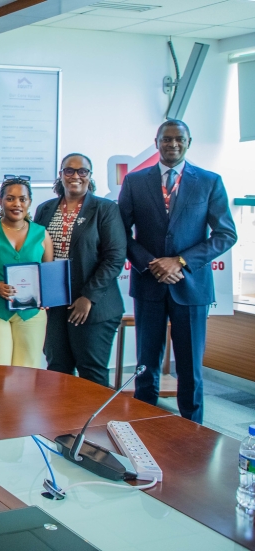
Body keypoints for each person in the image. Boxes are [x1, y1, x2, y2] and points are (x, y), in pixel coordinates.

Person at [119, 120, 237, 423]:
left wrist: (180, 261)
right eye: (166, 139)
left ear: (189, 142)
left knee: (190, 368)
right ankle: (142, 426)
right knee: (145, 365)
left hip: (192, 287)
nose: (172, 144)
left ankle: (193, 431)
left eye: (179, 139)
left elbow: (226, 234)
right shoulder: (135, 181)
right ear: (157, 142)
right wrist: (152, 263)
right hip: (149, 285)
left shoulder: (209, 181)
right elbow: (121, 233)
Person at [34, 154, 126, 387]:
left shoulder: (105, 209)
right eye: (69, 170)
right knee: (57, 370)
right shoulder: (45, 209)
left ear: (89, 176)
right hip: (55, 305)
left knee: (91, 374)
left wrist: (88, 297)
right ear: (61, 175)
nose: (75, 176)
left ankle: (95, 415)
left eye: (82, 171)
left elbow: (114, 258)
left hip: (94, 306)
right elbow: (35, 252)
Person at [0, 177, 54, 368]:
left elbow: (48, 275)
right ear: (0, 201)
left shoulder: (42, 234)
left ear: (29, 202)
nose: (17, 204)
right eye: (10, 198)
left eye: (22, 199)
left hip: (31, 313)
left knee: (27, 371)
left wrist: (47, 297)